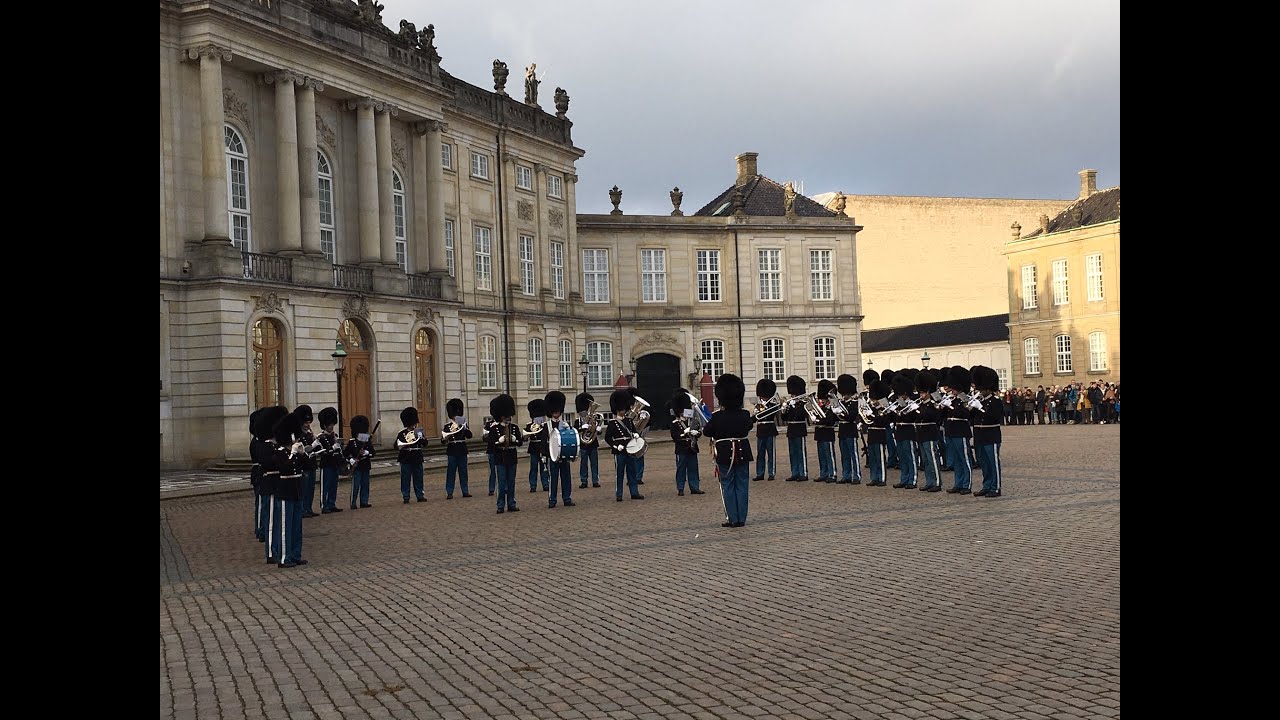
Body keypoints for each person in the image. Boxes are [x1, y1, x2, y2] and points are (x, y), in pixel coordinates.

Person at [704, 373, 756, 528]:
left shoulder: (717, 416)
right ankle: (741, 518)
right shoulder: (745, 414)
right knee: (742, 484)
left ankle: (732, 518)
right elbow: (748, 427)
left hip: (725, 453)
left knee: (727, 485)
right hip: (742, 452)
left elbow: (707, 431)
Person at [270, 409, 309, 568]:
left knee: (297, 526)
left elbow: (307, 466)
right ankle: (285, 557)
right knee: (286, 526)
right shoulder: (279, 452)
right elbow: (285, 468)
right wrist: (293, 454)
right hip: (285, 491)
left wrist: (302, 454)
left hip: (297, 490)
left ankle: (295, 554)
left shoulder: (293, 451)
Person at [251, 405, 289, 562]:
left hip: (279, 483)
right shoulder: (263, 445)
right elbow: (270, 462)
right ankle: (271, 552)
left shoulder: (274, 444)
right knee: (271, 520)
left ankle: (278, 548)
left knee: (279, 519)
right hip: (270, 483)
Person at [970, 366, 1004, 498]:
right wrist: (972, 407)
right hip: (980, 436)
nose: (980, 391)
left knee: (993, 462)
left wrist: (981, 408)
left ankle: (996, 487)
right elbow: (971, 417)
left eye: (982, 389)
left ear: (988, 388)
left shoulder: (995, 401)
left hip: (991, 436)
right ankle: (987, 485)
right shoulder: (980, 401)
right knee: (984, 462)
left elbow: (994, 416)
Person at [486, 394, 523, 513]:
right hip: (500, 457)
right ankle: (500, 505)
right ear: (501, 416)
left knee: (511, 482)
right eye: (505, 416)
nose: (508, 418)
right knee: (501, 483)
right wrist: (498, 441)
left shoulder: (514, 428)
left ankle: (511, 503)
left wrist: (515, 440)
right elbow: (491, 445)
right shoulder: (494, 429)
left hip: (511, 456)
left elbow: (520, 442)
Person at [604, 389, 643, 501]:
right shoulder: (612, 423)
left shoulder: (629, 421)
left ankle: (634, 492)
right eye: (620, 409)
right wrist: (616, 446)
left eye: (623, 409)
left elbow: (633, 430)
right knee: (619, 473)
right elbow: (608, 438)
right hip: (619, 450)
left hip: (630, 449)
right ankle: (619, 494)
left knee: (632, 472)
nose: (622, 411)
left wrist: (635, 434)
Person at [941, 367, 974, 494]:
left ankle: (967, 484)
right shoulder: (952, 399)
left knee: (964, 459)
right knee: (956, 459)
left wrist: (950, 407)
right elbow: (943, 415)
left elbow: (966, 414)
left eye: (954, 387)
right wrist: (943, 406)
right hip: (951, 431)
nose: (952, 390)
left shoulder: (966, 399)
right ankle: (958, 483)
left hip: (961, 431)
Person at [668, 390, 705, 496]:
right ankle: (680, 488)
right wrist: (684, 432)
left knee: (693, 468)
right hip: (681, 448)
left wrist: (696, 433)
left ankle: (694, 487)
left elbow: (698, 432)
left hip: (692, 447)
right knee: (681, 469)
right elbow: (675, 436)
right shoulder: (675, 423)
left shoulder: (691, 421)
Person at [544, 391, 576, 508]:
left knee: (566, 478)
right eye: (554, 410)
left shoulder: (565, 424)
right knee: (553, 479)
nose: (556, 412)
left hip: (564, 455)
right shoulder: (546, 425)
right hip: (552, 456)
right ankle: (552, 500)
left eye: (558, 410)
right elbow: (544, 443)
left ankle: (567, 498)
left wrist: (569, 429)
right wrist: (546, 455)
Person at [913, 371, 943, 492]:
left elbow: (932, 416)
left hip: (930, 433)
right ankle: (929, 481)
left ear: (929, 392)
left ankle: (937, 482)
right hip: (921, 434)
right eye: (920, 392)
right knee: (925, 460)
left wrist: (918, 411)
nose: (922, 395)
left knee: (932, 459)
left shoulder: (933, 404)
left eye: (924, 392)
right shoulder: (920, 404)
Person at [889, 374, 918, 489]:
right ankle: (904, 478)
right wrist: (892, 411)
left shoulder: (912, 404)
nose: (900, 396)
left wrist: (899, 412)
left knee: (910, 456)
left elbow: (911, 418)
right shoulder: (898, 403)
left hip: (908, 430)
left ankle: (912, 479)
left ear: (906, 393)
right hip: (899, 431)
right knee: (902, 456)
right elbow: (893, 418)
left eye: (901, 394)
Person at [862, 380, 892, 487]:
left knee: (880, 458)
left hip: (880, 433)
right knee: (873, 458)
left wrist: (873, 416)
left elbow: (883, 421)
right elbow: (865, 420)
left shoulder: (884, 407)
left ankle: (882, 478)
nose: (873, 400)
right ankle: (874, 477)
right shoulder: (871, 407)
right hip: (871, 434)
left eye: (874, 398)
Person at [442, 398, 473, 499]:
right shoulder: (447, 426)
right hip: (452, 450)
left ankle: (465, 490)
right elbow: (443, 441)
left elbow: (469, 436)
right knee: (451, 472)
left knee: (463, 472)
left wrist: (464, 428)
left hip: (462, 449)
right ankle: (449, 492)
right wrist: (446, 438)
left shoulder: (463, 425)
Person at [315, 407, 344, 514]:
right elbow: (322, 451)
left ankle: (332, 503)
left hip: (334, 463)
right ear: (325, 425)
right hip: (326, 464)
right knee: (325, 486)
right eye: (329, 425)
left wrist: (339, 448)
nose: (331, 427)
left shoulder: (335, 436)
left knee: (333, 485)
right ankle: (324, 505)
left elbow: (340, 450)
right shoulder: (321, 437)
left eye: (332, 425)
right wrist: (332, 448)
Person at [782, 375, 811, 482]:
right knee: (792, 452)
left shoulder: (803, 403)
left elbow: (802, 415)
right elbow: (784, 418)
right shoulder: (790, 403)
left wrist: (795, 406)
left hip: (799, 427)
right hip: (791, 429)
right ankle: (795, 472)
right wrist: (785, 409)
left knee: (800, 452)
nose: (792, 395)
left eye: (794, 393)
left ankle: (803, 473)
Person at [396, 406, 427, 503]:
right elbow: (396, 445)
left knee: (418, 477)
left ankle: (420, 495)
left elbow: (425, 444)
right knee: (405, 478)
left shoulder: (418, 432)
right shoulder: (402, 433)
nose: (414, 424)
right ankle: (406, 496)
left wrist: (421, 437)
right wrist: (405, 445)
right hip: (406, 457)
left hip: (417, 456)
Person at [834, 374, 862, 484]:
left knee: (853, 454)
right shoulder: (840, 402)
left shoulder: (854, 403)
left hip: (851, 429)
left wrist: (841, 412)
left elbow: (851, 416)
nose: (844, 395)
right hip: (842, 430)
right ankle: (846, 475)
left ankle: (856, 476)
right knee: (844, 455)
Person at [345, 415, 375, 509]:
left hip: (365, 465)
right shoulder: (352, 442)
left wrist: (367, 453)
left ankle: (364, 501)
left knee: (365, 485)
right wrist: (351, 459)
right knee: (356, 485)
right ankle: (353, 502)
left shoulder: (367, 441)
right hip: (356, 466)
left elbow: (373, 453)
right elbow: (345, 454)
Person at [294, 405, 319, 518]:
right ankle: (303, 509)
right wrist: (312, 446)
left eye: (309, 422)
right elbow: (302, 449)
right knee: (304, 489)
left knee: (311, 489)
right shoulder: (298, 435)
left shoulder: (309, 434)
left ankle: (308, 508)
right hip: (304, 465)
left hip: (311, 463)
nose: (308, 425)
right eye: (305, 422)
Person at [812, 379, 839, 482]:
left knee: (829, 454)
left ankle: (832, 474)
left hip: (828, 432)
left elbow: (830, 420)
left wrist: (820, 420)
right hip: (820, 432)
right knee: (821, 455)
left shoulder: (832, 406)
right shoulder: (821, 407)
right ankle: (824, 473)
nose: (822, 400)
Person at [752, 378, 778, 482]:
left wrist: (764, 407)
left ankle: (771, 473)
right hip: (761, 429)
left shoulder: (773, 404)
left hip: (770, 428)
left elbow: (773, 414)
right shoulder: (758, 405)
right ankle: (760, 473)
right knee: (760, 453)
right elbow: (755, 417)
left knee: (771, 453)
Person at [574, 392, 601, 488]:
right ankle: (584, 481)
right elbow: (575, 432)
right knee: (583, 464)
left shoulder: (593, 419)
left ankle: (595, 480)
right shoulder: (577, 421)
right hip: (583, 445)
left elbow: (597, 430)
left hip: (593, 444)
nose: (584, 413)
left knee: (594, 463)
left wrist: (598, 429)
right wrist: (581, 428)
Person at [524, 399, 550, 493]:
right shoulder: (529, 426)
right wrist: (527, 435)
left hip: (543, 447)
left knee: (544, 467)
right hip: (534, 447)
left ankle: (545, 483)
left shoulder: (546, 425)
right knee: (533, 467)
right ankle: (533, 485)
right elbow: (524, 438)